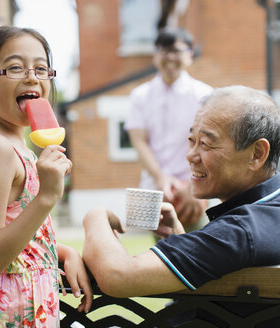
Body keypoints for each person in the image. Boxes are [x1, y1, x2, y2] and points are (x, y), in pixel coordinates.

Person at [83, 86, 280, 324]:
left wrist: (95, 217)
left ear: (257, 154)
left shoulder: (242, 230)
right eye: (191, 140)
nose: (190, 155)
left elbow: (118, 276)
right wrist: (181, 241)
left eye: (206, 144)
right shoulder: (265, 215)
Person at [0, 25, 93, 327]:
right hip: (9, 311)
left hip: (20, 305)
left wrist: (61, 250)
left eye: (41, 69)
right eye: (15, 68)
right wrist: (46, 196)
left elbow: (14, 232)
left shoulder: (11, 142)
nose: (32, 76)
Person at [124, 27, 213, 229]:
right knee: (158, 253)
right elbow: (139, 141)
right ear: (155, 56)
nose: (170, 56)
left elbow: (211, 144)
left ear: (190, 55)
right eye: (164, 50)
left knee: (196, 249)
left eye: (177, 50)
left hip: (194, 188)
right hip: (153, 187)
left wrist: (194, 184)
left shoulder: (205, 94)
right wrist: (160, 177)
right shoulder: (140, 95)